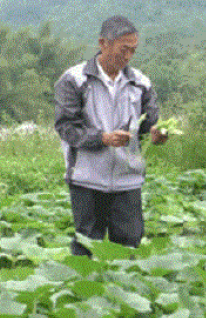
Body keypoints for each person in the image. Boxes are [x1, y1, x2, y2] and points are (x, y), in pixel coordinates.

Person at [54, 15, 168, 257]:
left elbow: (149, 126)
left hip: (128, 178)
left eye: (133, 51)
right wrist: (102, 138)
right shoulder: (74, 80)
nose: (127, 57)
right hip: (87, 178)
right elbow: (66, 127)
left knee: (128, 247)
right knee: (87, 247)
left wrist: (156, 135)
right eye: (123, 49)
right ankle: (83, 293)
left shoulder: (141, 83)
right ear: (103, 43)